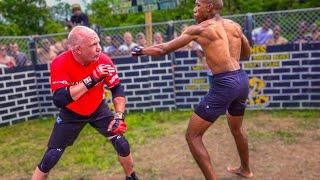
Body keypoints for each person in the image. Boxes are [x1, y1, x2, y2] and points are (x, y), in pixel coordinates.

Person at [132, 0, 253, 179]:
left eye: (198, 5)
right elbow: (247, 54)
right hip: (241, 80)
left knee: (193, 136)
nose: (194, 10)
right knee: (237, 128)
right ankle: (246, 169)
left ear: (209, 7)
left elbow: (163, 48)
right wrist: (226, 55)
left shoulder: (200, 29)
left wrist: (142, 50)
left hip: (225, 84)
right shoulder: (234, 26)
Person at [31, 26, 138, 180]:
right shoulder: (60, 62)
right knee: (51, 156)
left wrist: (119, 116)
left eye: (99, 43)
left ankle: (131, 177)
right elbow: (60, 99)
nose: (99, 48)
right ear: (78, 49)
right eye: (93, 45)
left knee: (121, 143)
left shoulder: (103, 60)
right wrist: (91, 80)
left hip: (97, 107)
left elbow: (117, 89)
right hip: (71, 112)